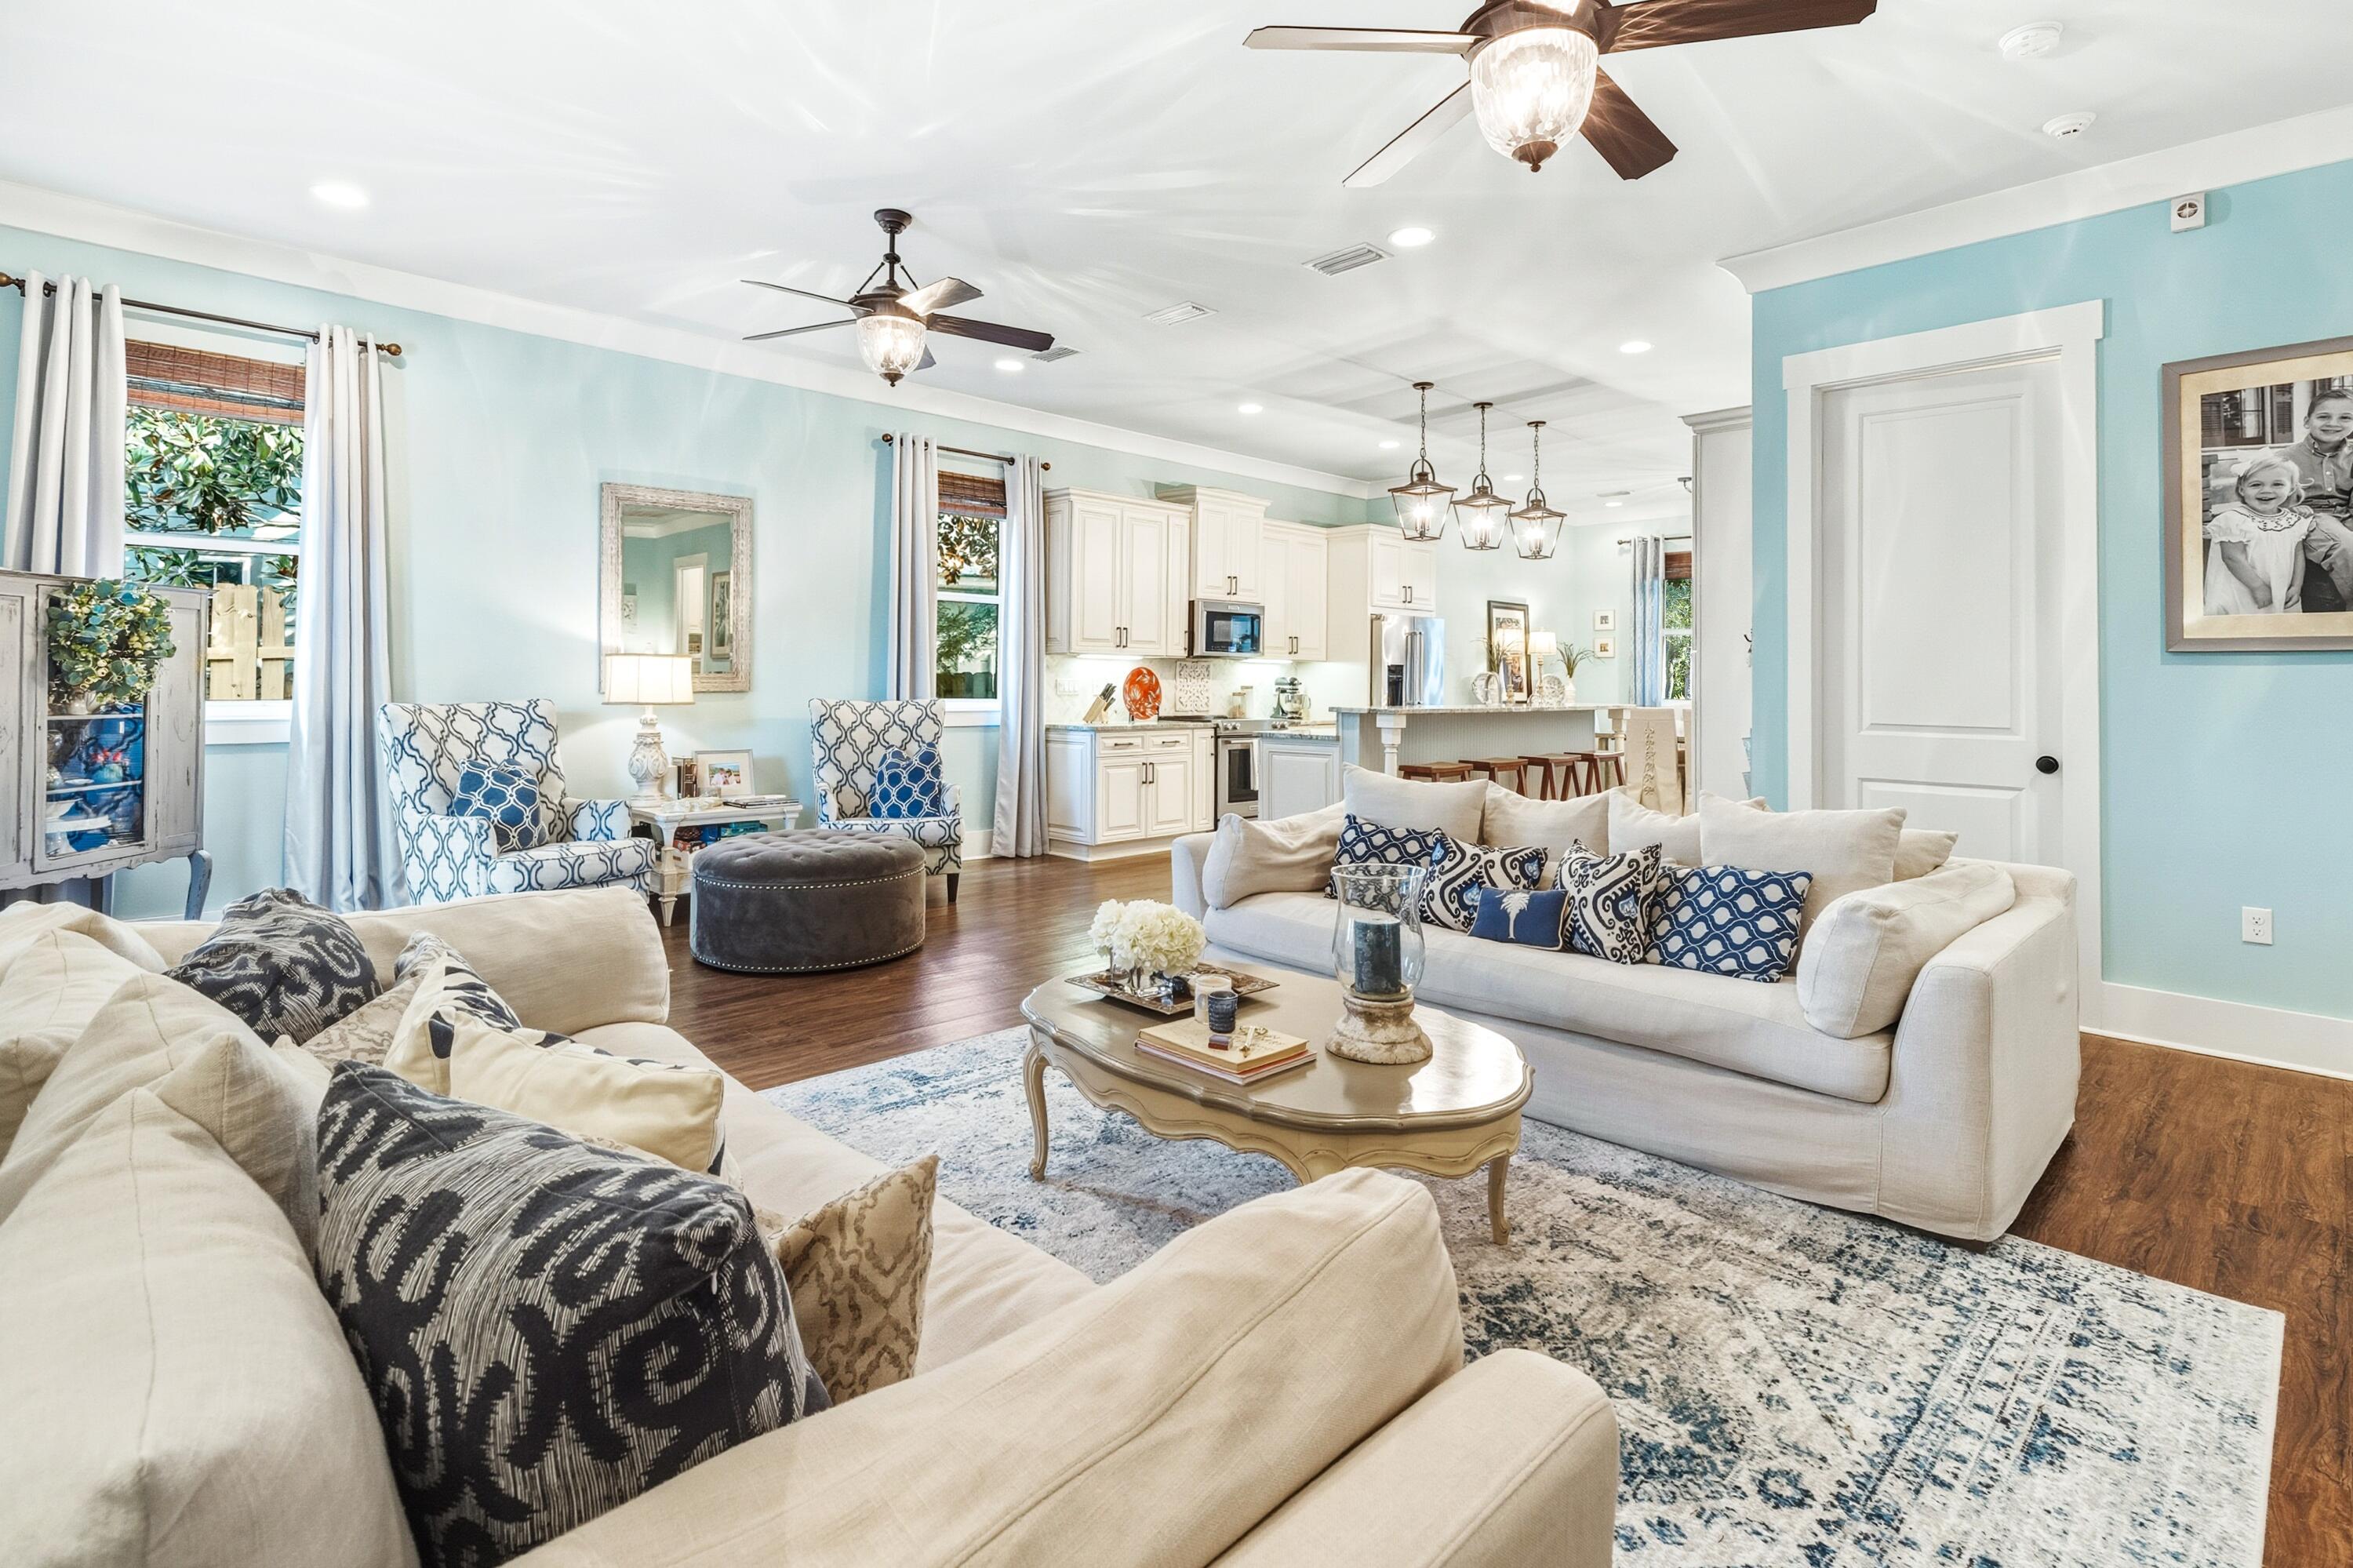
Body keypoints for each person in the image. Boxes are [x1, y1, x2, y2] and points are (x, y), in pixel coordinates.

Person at [2204, 452, 2313, 616]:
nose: (2266, 491)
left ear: (2291, 489)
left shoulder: (2294, 521)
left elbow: (2298, 555)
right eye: (2256, 485)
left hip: (2279, 588)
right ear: (2242, 489)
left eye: (2277, 484)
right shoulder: (2234, 520)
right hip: (2243, 588)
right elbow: (2232, 557)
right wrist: (2258, 587)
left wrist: (2296, 587)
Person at [2284, 387, 2353, 612]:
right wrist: (2291, 509)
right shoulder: (2285, 458)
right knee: (2346, 545)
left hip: (2347, 514)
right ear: (2307, 421)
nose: (2333, 423)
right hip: (2312, 517)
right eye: (2324, 416)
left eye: (2345, 417)